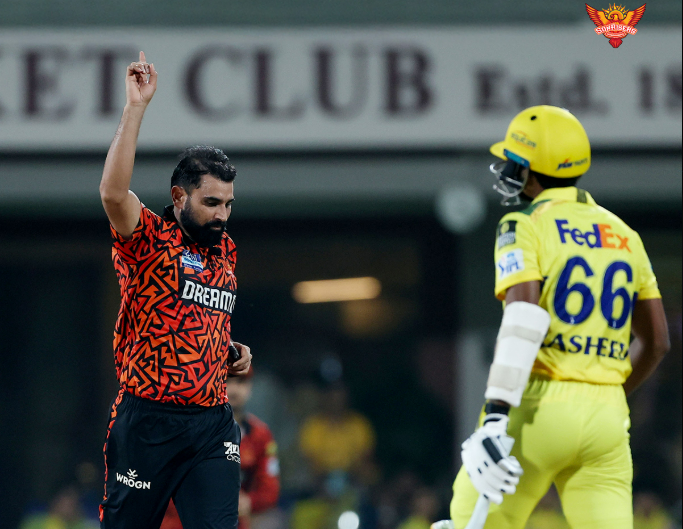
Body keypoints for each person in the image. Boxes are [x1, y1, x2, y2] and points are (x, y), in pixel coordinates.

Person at [440, 106, 670, 529]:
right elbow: (657, 342)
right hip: (606, 414)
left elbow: (524, 318)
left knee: (468, 522)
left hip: (539, 404)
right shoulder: (625, 234)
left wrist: (495, 414)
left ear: (529, 169)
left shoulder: (523, 224)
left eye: (513, 161)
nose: (507, 169)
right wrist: (606, 392)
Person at [98, 51, 252, 529]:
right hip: (148, 422)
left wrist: (228, 348)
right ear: (179, 196)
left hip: (211, 424)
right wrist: (135, 108)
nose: (222, 215)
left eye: (228, 204)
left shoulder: (224, 250)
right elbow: (112, 194)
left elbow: (196, 316)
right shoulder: (148, 239)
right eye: (211, 202)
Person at [161, 367, 281, 529]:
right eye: (227, 381)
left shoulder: (260, 435)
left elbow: (270, 489)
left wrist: (249, 502)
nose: (234, 389)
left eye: (241, 381)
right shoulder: (186, 427)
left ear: (250, 387)